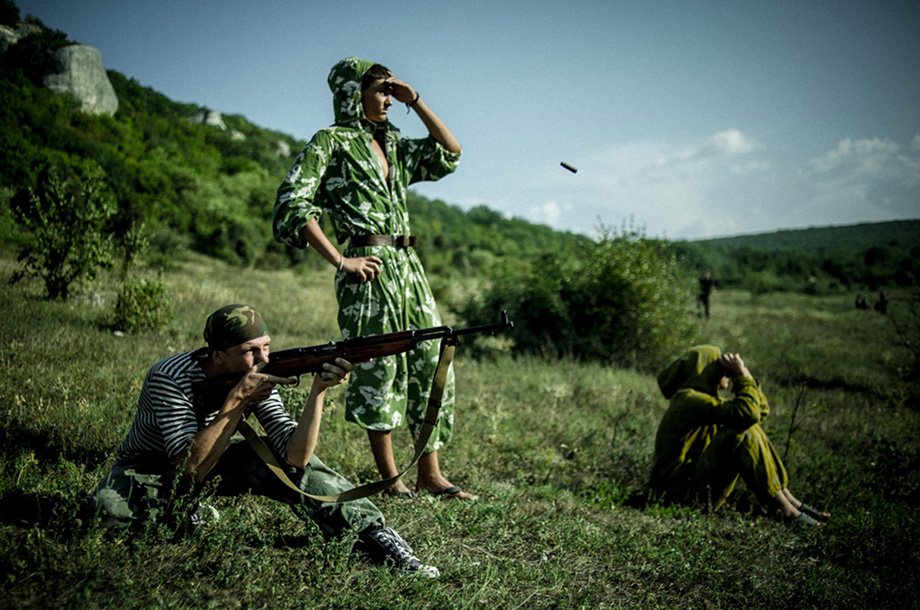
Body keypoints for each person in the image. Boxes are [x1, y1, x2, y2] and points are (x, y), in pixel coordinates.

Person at [91, 304, 440, 577]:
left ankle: (375, 537)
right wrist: (237, 400)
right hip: (148, 467)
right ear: (218, 356)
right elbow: (189, 468)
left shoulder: (259, 374)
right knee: (106, 513)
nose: (263, 360)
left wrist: (317, 392)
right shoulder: (169, 377)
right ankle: (184, 513)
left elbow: (297, 457)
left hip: (217, 462)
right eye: (250, 351)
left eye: (267, 348)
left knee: (286, 462)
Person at [273, 57, 474, 500]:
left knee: (430, 358)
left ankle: (431, 473)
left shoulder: (394, 142)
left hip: (409, 266)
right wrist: (340, 260)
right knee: (379, 365)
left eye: (389, 90)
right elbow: (293, 203)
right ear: (352, 93)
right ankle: (390, 478)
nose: (387, 98)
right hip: (367, 264)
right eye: (379, 89)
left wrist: (416, 101)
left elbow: (450, 153)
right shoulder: (331, 141)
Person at [649, 345, 829, 526]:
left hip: (690, 490)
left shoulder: (704, 401)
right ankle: (786, 511)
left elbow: (759, 412)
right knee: (741, 432)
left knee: (746, 427)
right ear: (705, 369)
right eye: (720, 367)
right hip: (678, 498)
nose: (726, 374)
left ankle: (790, 503)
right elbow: (748, 413)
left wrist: (746, 377)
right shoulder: (687, 399)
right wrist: (742, 377)